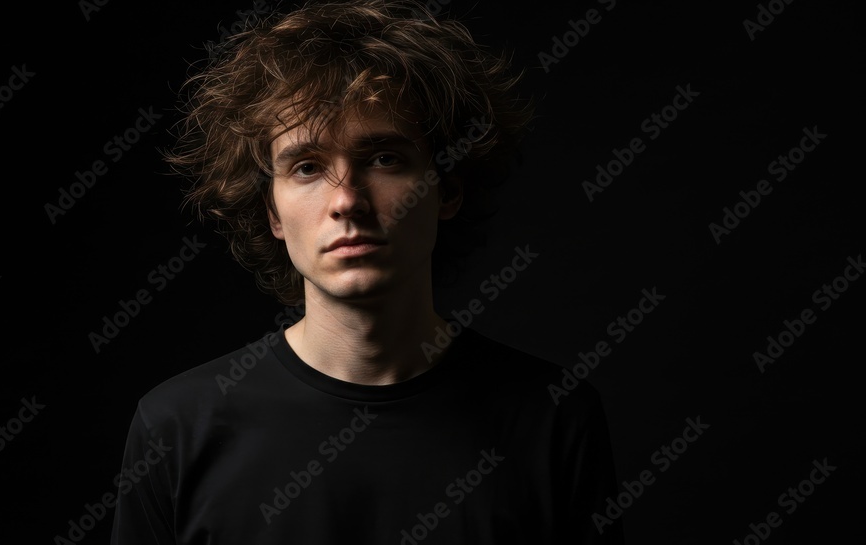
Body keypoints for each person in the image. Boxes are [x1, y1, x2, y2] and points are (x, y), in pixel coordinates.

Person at [111, 1, 624, 543]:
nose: (347, 201)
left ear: (447, 188)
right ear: (271, 211)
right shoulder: (176, 427)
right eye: (307, 168)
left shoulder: (553, 418)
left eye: (382, 159)